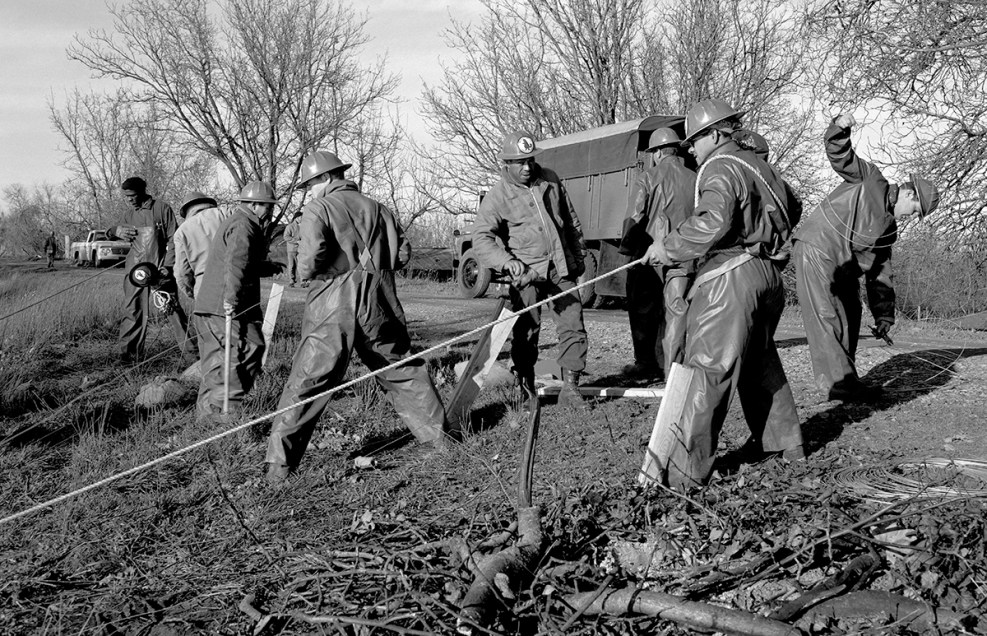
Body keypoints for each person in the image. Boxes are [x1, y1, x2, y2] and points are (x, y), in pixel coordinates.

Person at [645, 99, 805, 488]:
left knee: (708, 369)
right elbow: (795, 206)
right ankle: (787, 445)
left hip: (732, 277)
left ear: (716, 134)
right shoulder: (759, 165)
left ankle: (684, 472)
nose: (691, 150)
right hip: (768, 276)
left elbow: (712, 222)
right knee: (758, 361)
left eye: (696, 140)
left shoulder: (720, 166)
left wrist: (667, 247)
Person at [265, 151, 448, 483]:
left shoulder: (318, 208)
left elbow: (308, 262)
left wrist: (316, 270)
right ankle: (440, 439)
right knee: (400, 368)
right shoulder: (379, 208)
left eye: (310, 185)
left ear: (325, 178)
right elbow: (403, 255)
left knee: (309, 379)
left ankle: (280, 467)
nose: (309, 192)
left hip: (333, 302)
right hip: (379, 300)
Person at [793, 113, 940, 401]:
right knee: (827, 315)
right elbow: (840, 156)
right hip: (817, 247)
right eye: (915, 211)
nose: (912, 217)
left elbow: (879, 272)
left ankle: (846, 379)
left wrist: (884, 314)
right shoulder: (870, 178)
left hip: (843, 266)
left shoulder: (889, 231)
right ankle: (838, 385)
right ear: (909, 195)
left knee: (851, 310)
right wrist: (839, 128)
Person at [472, 131, 589, 409]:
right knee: (526, 333)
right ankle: (525, 390)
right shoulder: (497, 196)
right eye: (520, 162)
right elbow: (481, 239)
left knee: (573, 326)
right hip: (526, 275)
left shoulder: (551, 179)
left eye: (530, 160)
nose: (527, 167)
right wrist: (505, 261)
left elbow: (570, 220)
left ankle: (571, 388)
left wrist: (578, 256)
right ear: (506, 163)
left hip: (560, 268)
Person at [193, 181, 283, 421]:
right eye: (267, 206)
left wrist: (270, 267)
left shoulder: (241, 222)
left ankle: (207, 418)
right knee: (240, 352)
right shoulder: (244, 225)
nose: (270, 211)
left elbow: (244, 262)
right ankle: (225, 414)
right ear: (253, 204)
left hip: (212, 305)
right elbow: (235, 262)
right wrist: (231, 299)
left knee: (221, 359)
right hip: (223, 306)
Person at [618, 127, 696, 381]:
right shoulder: (695, 178)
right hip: (684, 254)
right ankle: (673, 371)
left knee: (643, 309)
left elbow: (635, 216)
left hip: (651, 255)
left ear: (659, 152)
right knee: (677, 310)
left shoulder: (647, 178)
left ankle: (646, 363)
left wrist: (628, 248)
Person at [106, 177, 195, 362]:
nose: (129, 200)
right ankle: (128, 358)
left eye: (132, 195)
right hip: (135, 272)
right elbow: (111, 233)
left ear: (142, 192)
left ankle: (193, 357)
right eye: (126, 196)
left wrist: (168, 266)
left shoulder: (161, 209)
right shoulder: (129, 215)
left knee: (172, 310)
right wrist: (115, 231)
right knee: (132, 311)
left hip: (160, 270)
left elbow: (174, 239)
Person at [173, 191, 229, 302]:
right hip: (237, 279)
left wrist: (192, 292)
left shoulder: (182, 231)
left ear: (186, 210)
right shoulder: (226, 214)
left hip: (205, 287)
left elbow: (181, 272)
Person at [283, 211, 302, 287]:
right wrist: (296, 241)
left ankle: (303, 281)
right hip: (292, 249)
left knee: (301, 266)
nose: (302, 219)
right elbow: (286, 237)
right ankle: (291, 281)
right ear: (296, 218)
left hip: (301, 250)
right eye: (301, 217)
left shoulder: (303, 227)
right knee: (292, 266)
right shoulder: (290, 226)